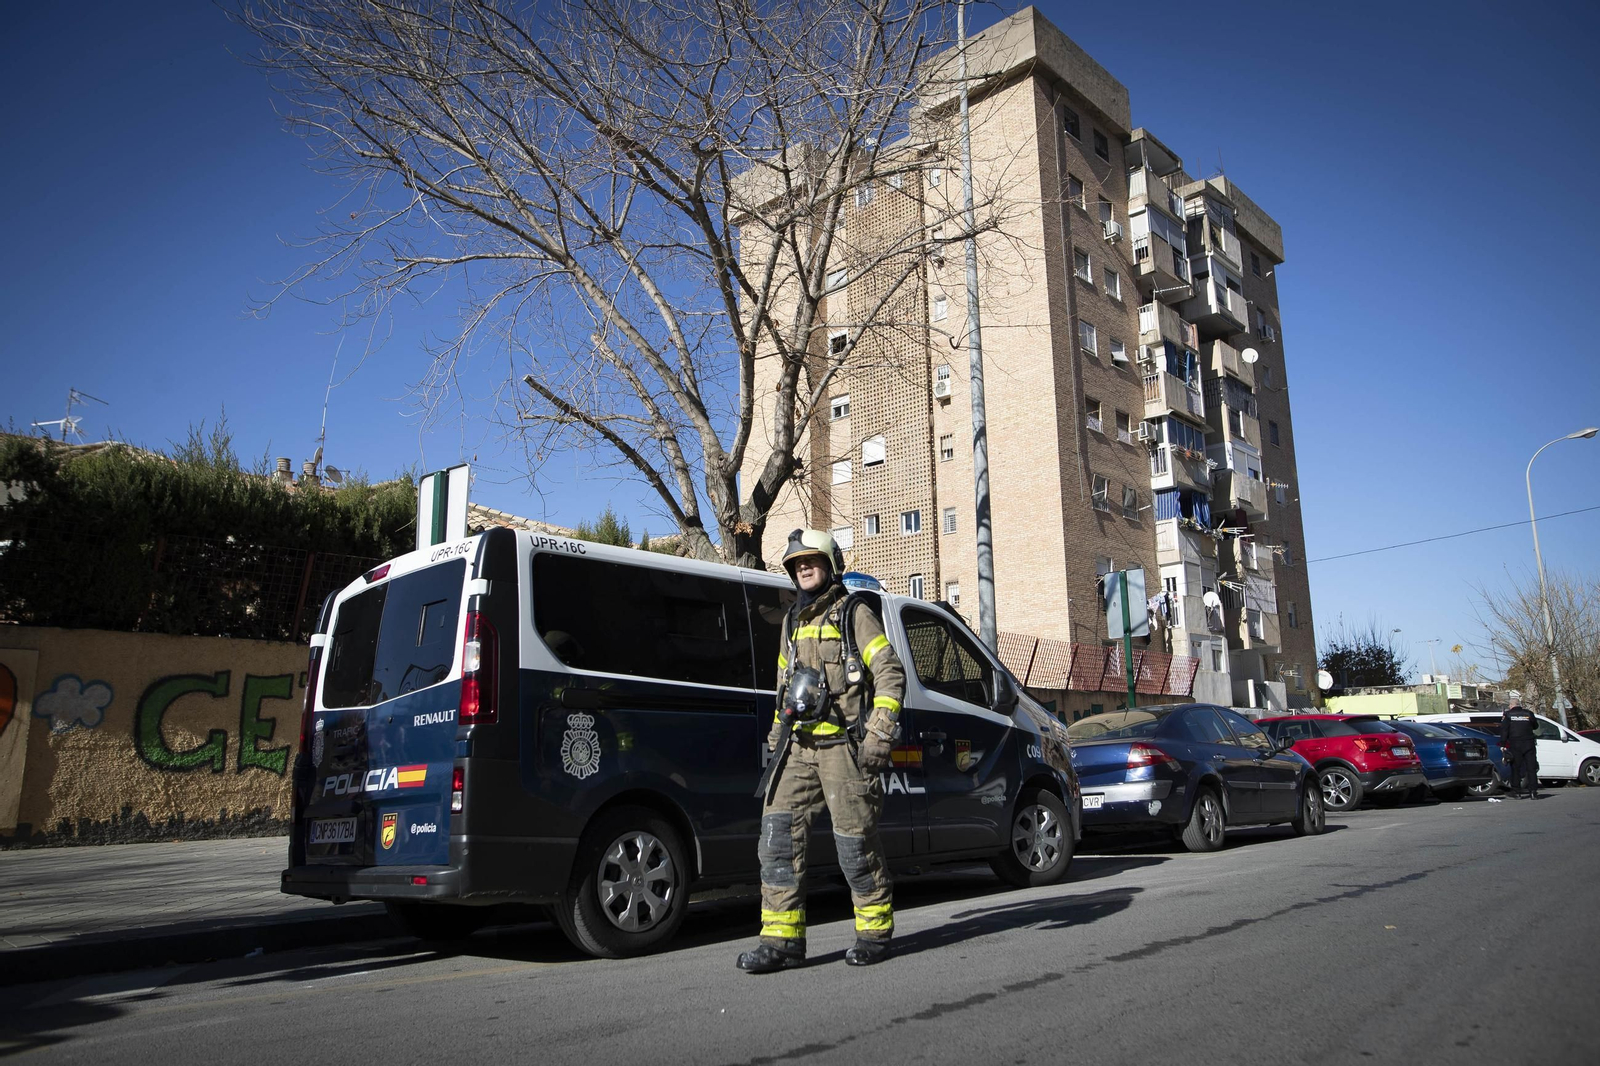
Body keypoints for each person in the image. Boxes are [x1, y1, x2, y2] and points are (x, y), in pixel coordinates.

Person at [736, 529, 907, 973]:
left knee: (854, 842)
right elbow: (783, 691)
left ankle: (873, 933)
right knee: (776, 839)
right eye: (796, 563)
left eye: (811, 560)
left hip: (843, 748)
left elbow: (889, 673)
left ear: (831, 564)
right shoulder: (791, 622)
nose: (803, 568)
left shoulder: (854, 612)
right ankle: (781, 940)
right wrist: (776, 740)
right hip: (798, 746)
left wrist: (879, 733)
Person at [1499, 694, 1539, 799]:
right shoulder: (1528, 714)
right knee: (1531, 768)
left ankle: (1516, 791)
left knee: (1516, 768)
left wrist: (1503, 744)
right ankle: (1533, 792)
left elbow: (1504, 730)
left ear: (1511, 705)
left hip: (1515, 744)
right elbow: (1535, 726)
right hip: (1529, 743)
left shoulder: (1508, 715)